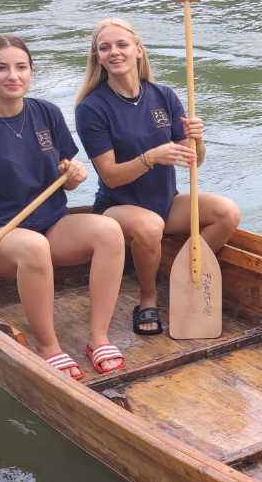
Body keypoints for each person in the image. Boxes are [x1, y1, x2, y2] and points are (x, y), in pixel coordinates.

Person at [0, 35, 127, 380]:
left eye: (21, 67)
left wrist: (72, 175)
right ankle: (48, 346)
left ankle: (98, 338)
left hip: (50, 224)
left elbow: (64, 173)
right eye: (1, 68)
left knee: (109, 231)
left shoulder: (46, 113)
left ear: (31, 71)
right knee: (34, 246)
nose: (13, 76)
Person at [74, 18, 241, 337]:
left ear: (138, 50)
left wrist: (197, 139)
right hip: (117, 209)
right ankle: (147, 298)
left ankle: (182, 277)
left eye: (122, 45)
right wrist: (151, 157)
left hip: (165, 203)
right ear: (97, 58)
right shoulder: (91, 108)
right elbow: (110, 177)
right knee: (149, 227)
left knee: (227, 213)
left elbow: (194, 162)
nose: (114, 52)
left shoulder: (163, 95)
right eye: (104, 48)